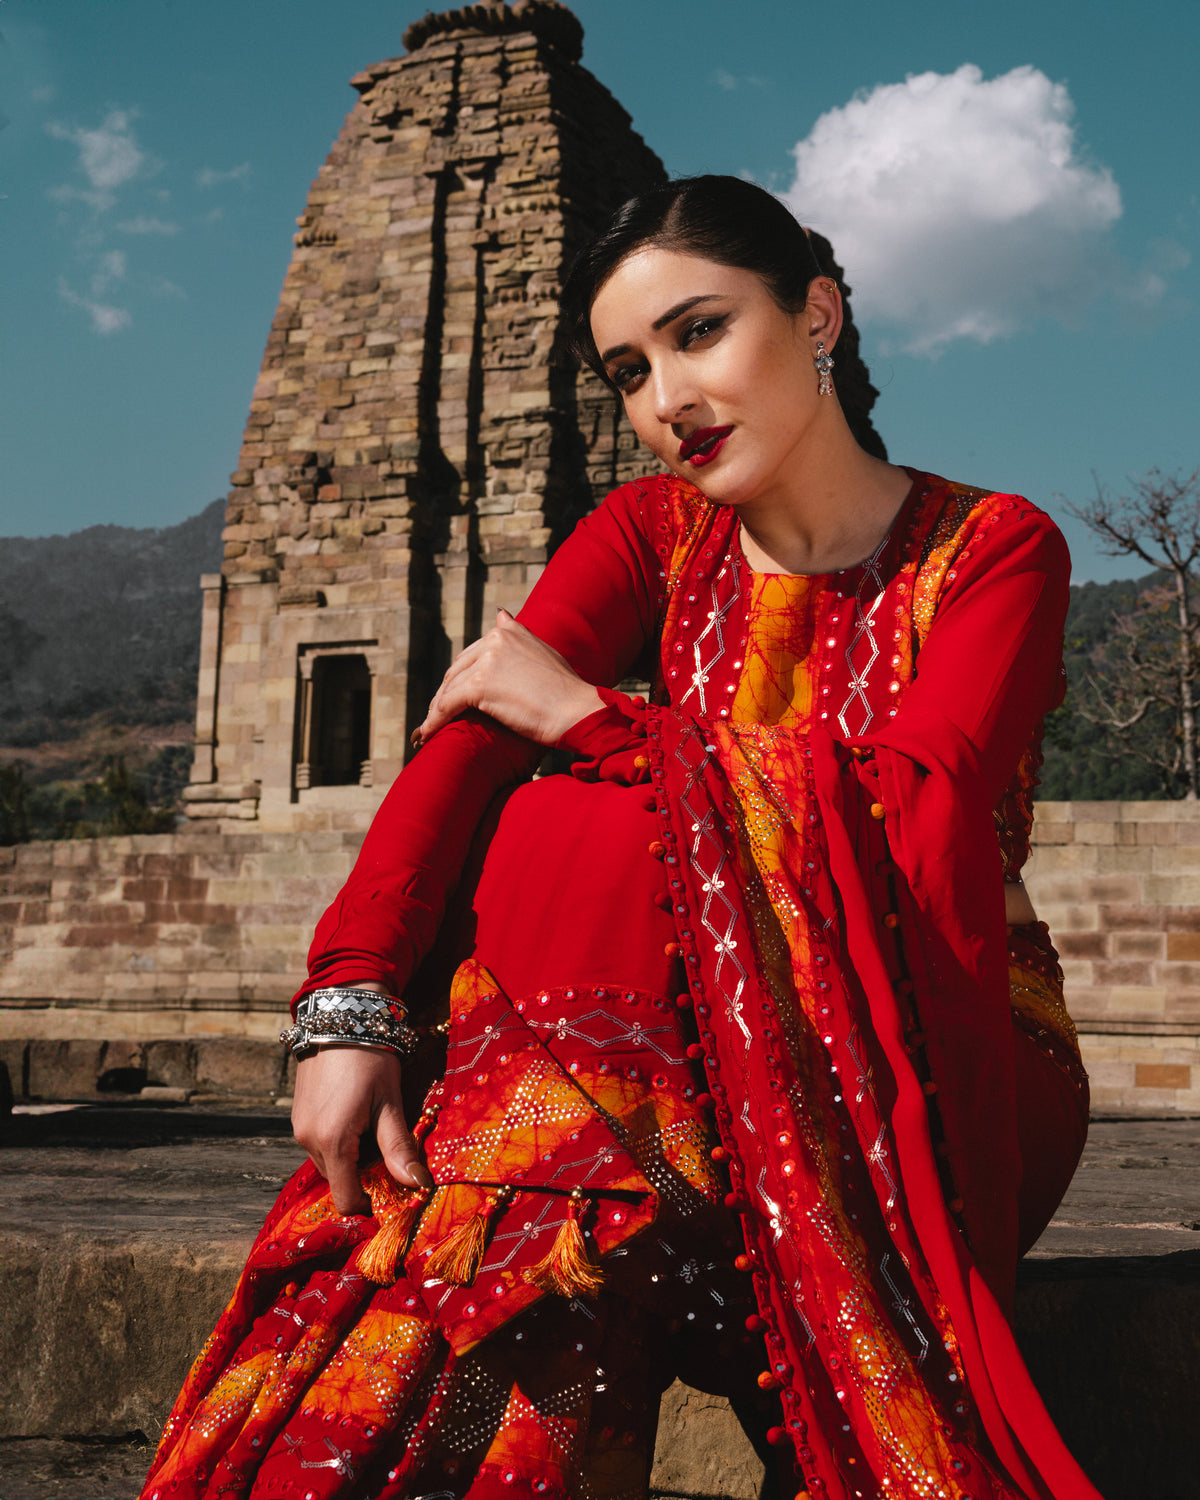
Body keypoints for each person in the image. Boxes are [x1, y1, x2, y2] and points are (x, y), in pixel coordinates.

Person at [141, 176, 1099, 1500]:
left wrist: (600, 727)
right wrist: (349, 1001)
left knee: (585, 829)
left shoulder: (994, 549)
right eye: (630, 372)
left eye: (700, 332)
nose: (667, 400)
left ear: (817, 315)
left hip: (929, 1052)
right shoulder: (654, 533)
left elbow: (913, 808)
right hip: (665, 1082)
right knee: (552, 1151)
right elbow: (471, 739)